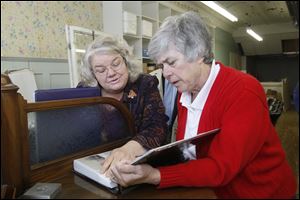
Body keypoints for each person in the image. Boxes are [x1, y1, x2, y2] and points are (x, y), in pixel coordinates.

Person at [109, 11, 297, 198]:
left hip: (259, 192)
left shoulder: (243, 91)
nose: (165, 73)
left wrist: (155, 175)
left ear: (198, 53)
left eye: (171, 62)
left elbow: (221, 167)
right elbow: (188, 151)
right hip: (209, 190)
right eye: (161, 66)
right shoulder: (185, 90)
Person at [79, 35, 168, 178]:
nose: (111, 73)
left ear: (126, 61)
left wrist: (129, 149)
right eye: (101, 70)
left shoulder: (145, 84)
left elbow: (158, 128)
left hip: (137, 166)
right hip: (96, 166)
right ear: (93, 74)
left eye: (116, 64)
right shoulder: (85, 90)